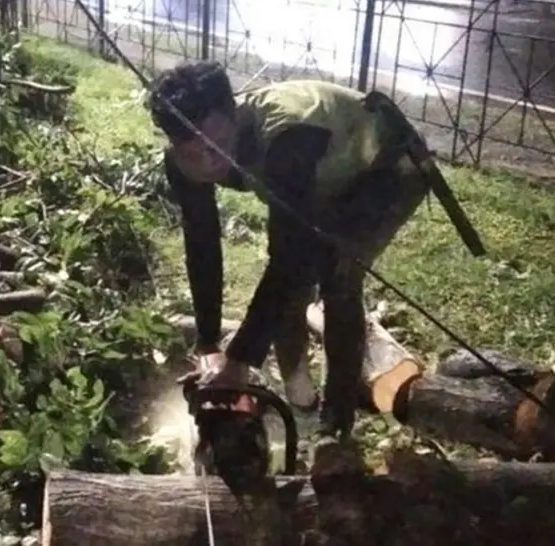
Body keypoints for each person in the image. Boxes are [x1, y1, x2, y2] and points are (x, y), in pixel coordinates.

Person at [148, 62, 432, 444]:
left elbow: (291, 262)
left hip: (386, 166)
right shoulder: (182, 163)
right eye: (193, 153)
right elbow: (202, 245)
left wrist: (239, 359)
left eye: (217, 144)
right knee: (289, 284)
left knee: (336, 272)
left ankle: (335, 427)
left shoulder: (287, 139)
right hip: (319, 177)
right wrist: (209, 342)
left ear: (232, 115)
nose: (210, 162)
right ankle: (301, 399)